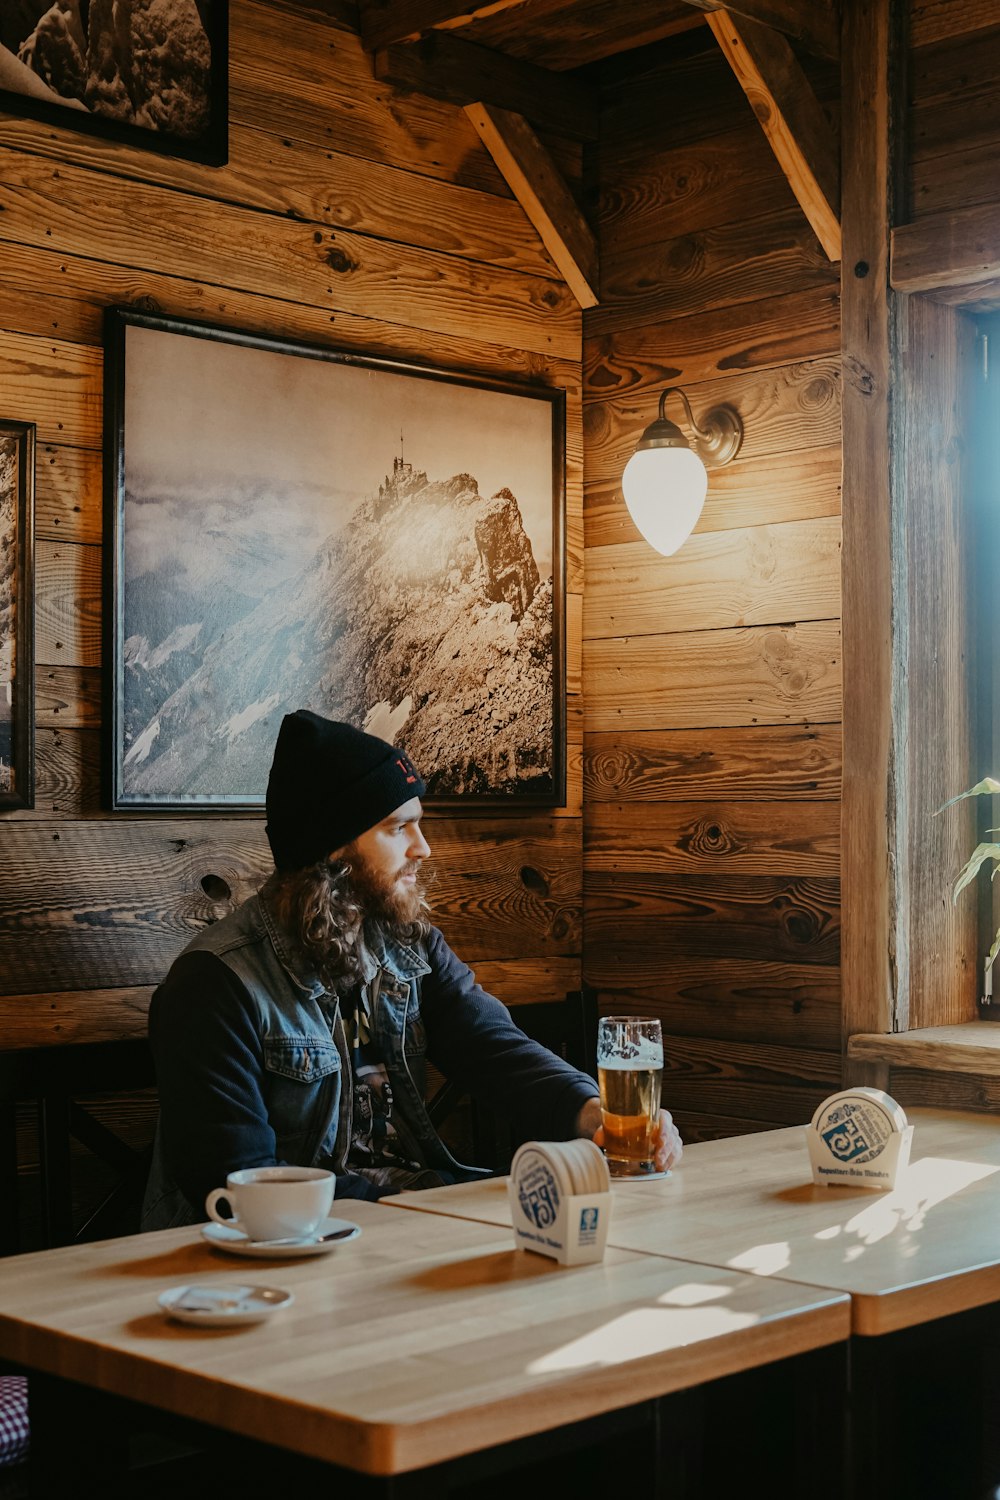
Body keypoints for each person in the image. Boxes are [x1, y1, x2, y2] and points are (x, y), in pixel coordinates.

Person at [142, 710, 682, 1230]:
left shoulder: (406, 943)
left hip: (407, 1217)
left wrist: (593, 1114)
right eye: (399, 827)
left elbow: (492, 1046)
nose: (423, 849)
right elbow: (240, 1185)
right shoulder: (216, 983)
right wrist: (428, 1209)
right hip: (282, 1252)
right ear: (333, 846)